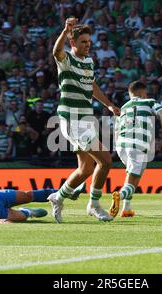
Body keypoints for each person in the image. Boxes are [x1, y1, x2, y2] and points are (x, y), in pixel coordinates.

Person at [47, 18, 120, 223]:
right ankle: (94, 205)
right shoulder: (66, 59)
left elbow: (92, 86)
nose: (87, 45)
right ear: (73, 43)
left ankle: (58, 197)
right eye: (83, 42)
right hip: (71, 119)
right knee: (105, 160)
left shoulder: (88, 62)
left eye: (89, 42)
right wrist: (65, 31)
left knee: (85, 169)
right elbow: (55, 52)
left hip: (86, 118)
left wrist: (108, 105)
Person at [109, 81, 162, 218]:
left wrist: (116, 148)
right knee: (134, 177)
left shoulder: (124, 106)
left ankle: (126, 208)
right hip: (138, 145)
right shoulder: (150, 102)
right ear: (141, 93)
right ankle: (119, 195)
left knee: (132, 175)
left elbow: (116, 128)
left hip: (121, 145)